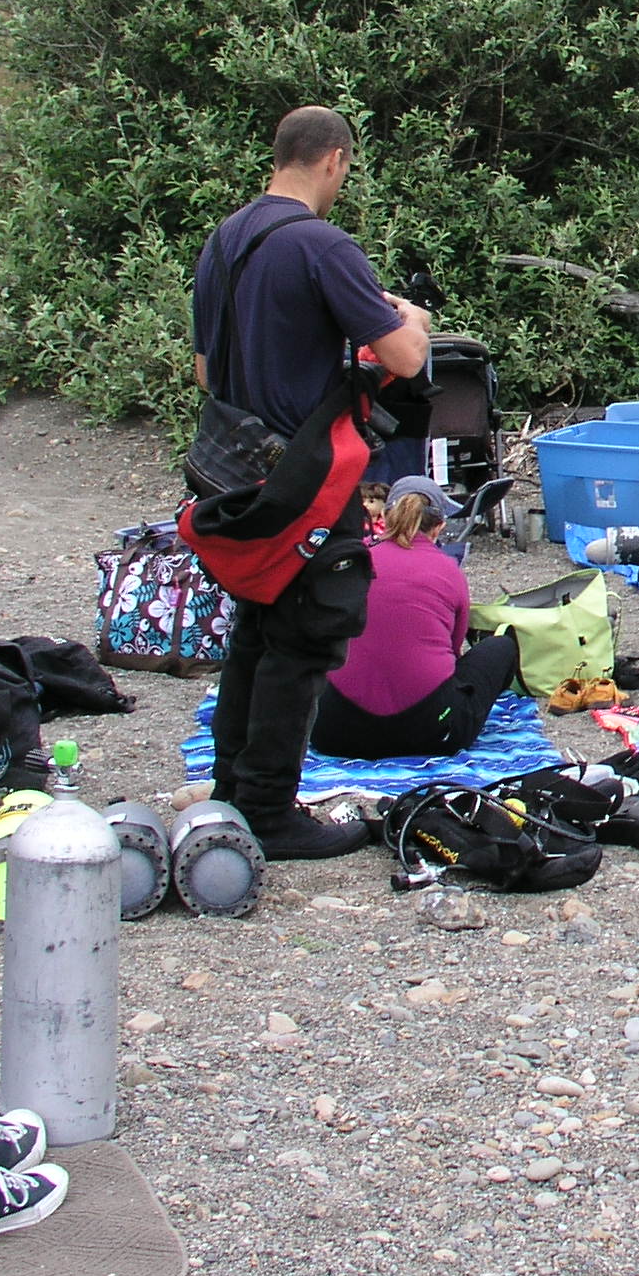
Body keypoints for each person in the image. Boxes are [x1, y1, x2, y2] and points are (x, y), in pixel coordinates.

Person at [191, 106, 431, 857]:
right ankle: (267, 811)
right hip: (305, 476)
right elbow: (405, 360)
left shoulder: (223, 241)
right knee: (309, 632)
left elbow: (204, 370)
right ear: (333, 160)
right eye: (346, 170)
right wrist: (413, 317)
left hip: (232, 470)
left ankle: (233, 792)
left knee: (259, 630)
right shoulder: (322, 246)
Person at [312, 477, 520, 760]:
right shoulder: (448, 571)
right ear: (440, 526)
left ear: (384, 517)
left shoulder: (355, 560)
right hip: (428, 734)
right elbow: (453, 648)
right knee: (501, 647)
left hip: (335, 731)